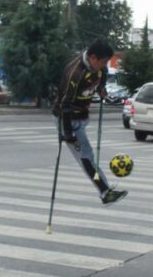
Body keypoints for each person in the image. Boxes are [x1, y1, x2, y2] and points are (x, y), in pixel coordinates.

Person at [52, 38, 127, 205]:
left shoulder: (98, 66)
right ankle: (105, 192)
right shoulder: (75, 73)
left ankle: (105, 190)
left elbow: (103, 74)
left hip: (81, 116)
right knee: (86, 157)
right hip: (68, 119)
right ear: (93, 57)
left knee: (89, 156)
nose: (104, 65)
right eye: (103, 62)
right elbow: (64, 105)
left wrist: (101, 88)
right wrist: (68, 133)